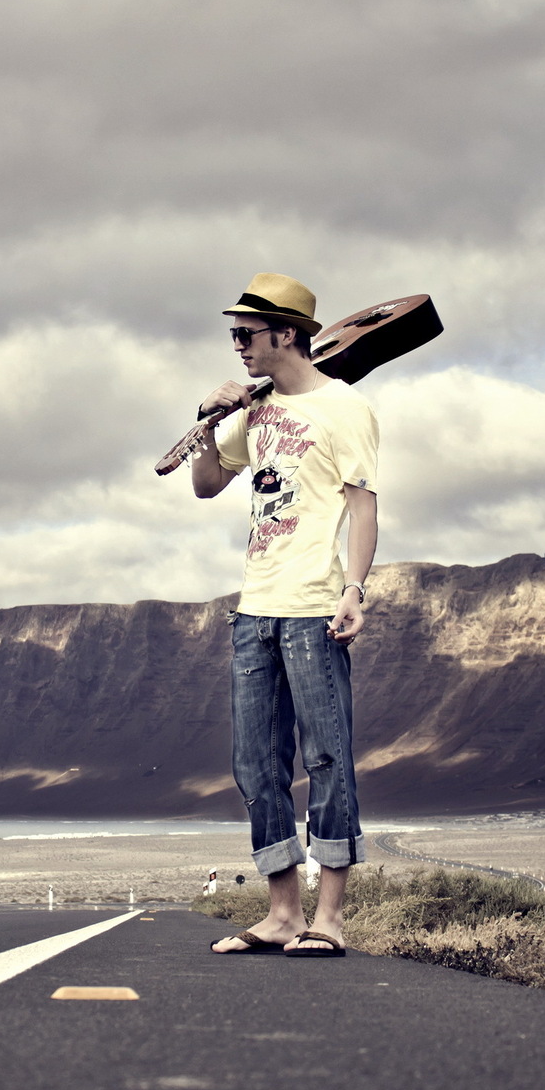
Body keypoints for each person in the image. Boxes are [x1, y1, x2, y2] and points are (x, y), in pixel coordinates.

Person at [191, 273, 378, 958]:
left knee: (326, 755)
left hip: (311, 607)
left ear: (288, 333)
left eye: (247, 333)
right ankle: (281, 914)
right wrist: (212, 424)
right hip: (254, 609)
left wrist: (354, 589)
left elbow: (363, 505)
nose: (237, 345)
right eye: (233, 334)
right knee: (255, 763)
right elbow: (207, 485)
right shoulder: (255, 410)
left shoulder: (343, 406)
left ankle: (328, 919)